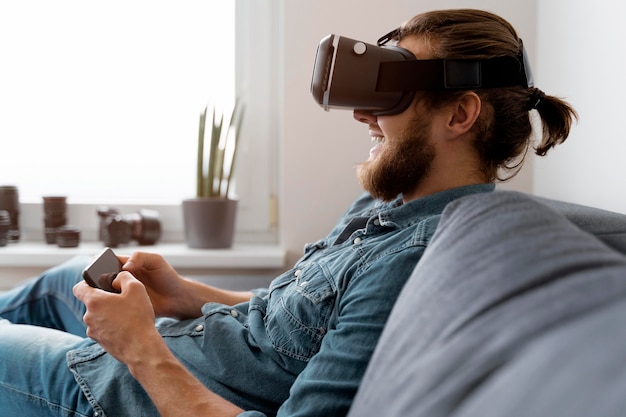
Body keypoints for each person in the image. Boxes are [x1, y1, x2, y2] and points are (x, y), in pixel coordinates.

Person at [0, 9, 577, 417]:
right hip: (173, 346)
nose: (363, 117)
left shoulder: (420, 261)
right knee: (61, 280)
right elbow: (301, 322)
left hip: (116, 390)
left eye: (390, 95)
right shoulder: (388, 205)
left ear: (460, 116)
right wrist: (185, 296)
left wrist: (141, 350)